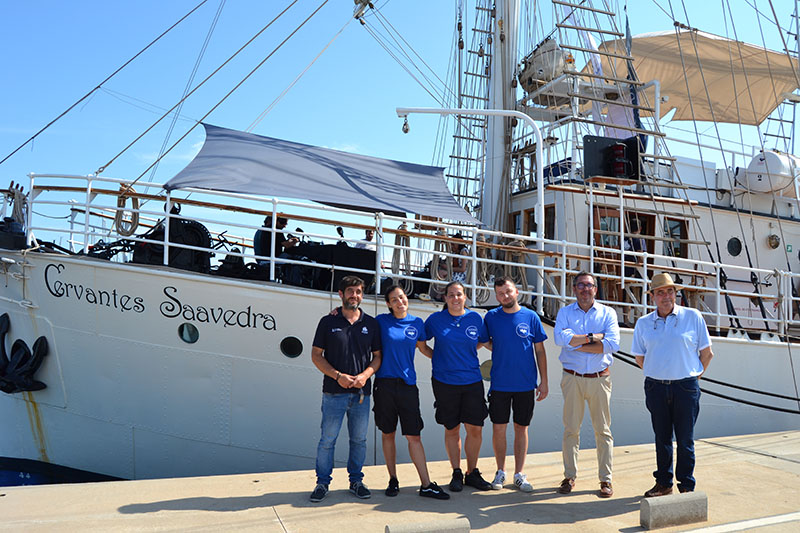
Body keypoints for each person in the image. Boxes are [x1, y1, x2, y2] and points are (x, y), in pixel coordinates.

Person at [631, 273, 713, 497]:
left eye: (669, 291)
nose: (665, 296)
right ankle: (664, 483)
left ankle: (686, 485)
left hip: (685, 387)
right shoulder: (643, 323)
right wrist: (659, 372)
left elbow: (707, 354)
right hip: (656, 387)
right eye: (660, 292)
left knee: (685, 440)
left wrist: (692, 377)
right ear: (652, 297)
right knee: (662, 438)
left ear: (675, 294)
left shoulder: (693, 317)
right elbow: (640, 358)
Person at [309, 276, 382, 502]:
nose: (355, 295)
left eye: (359, 292)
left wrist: (365, 376)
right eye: (350, 291)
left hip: (361, 395)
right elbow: (316, 355)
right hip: (333, 392)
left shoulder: (371, 324)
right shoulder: (327, 322)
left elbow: (377, 357)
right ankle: (322, 483)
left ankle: (356, 481)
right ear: (341, 294)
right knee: (327, 440)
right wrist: (338, 376)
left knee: (359, 440)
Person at [373, 285, 449, 499]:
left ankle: (426, 484)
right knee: (388, 433)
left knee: (414, 436)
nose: (400, 302)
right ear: (389, 304)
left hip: (407, 386)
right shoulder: (381, 321)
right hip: (384, 385)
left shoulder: (417, 323)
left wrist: (445, 360)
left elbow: (423, 348)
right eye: (394, 299)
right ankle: (393, 479)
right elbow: (358, 321)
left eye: (402, 297)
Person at [553, 271, 620, 498]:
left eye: (589, 285)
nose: (585, 289)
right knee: (571, 430)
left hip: (600, 379)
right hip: (572, 379)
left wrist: (578, 341)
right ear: (574, 289)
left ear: (595, 289)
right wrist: (594, 337)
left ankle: (606, 480)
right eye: (580, 285)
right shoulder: (565, 312)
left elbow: (612, 344)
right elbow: (559, 339)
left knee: (603, 431)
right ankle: (569, 476)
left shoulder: (607, 313)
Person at [421, 281, 492, 492]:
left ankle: (472, 472)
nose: (455, 298)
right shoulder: (435, 320)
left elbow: (481, 342)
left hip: (471, 380)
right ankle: (456, 472)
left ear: (465, 297)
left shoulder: (475, 319)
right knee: (452, 428)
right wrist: (439, 358)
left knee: (475, 428)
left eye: (459, 294)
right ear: (445, 298)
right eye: (451, 295)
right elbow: (422, 344)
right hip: (444, 382)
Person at [483, 277, 549, 492]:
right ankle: (500, 472)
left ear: (517, 291)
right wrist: (501, 349)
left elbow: (540, 350)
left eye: (508, 291)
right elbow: (485, 341)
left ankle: (519, 474)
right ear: (496, 295)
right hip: (500, 384)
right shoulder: (491, 317)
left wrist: (544, 382)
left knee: (522, 428)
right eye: (500, 293)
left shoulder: (531, 317)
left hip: (525, 385)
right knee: (499, 428)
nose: (505, 296)